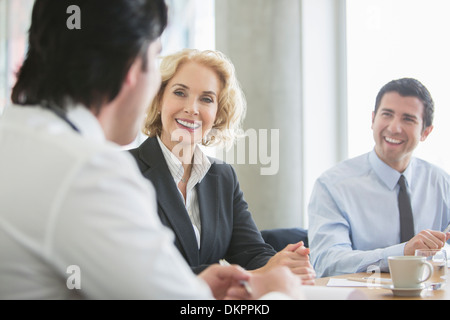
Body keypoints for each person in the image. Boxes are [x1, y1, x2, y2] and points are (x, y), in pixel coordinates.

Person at [0, 0, 304, 299]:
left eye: (206, 99)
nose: (191, 109)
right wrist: (277, 292)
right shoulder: (91, 172)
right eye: (155, 56)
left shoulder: (17, 139)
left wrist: (195, 287)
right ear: (134, 67)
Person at [129, 48, 315, 285]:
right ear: (158, 100)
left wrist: (283, 264)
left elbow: (252, 252)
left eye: (206, 99)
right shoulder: (126, 170)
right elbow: (144, 270)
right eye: (180, 92)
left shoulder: (222, 177)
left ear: (217, 114)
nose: (192, 108)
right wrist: (257, 275)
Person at [308, 78, 450, 278]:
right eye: (387, 114)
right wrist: (402, 253)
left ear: (426, 132)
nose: (394, 127)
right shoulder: (332, 185)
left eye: (408, 119)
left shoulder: (442, 183)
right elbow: (327, 263)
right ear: (373, 119)